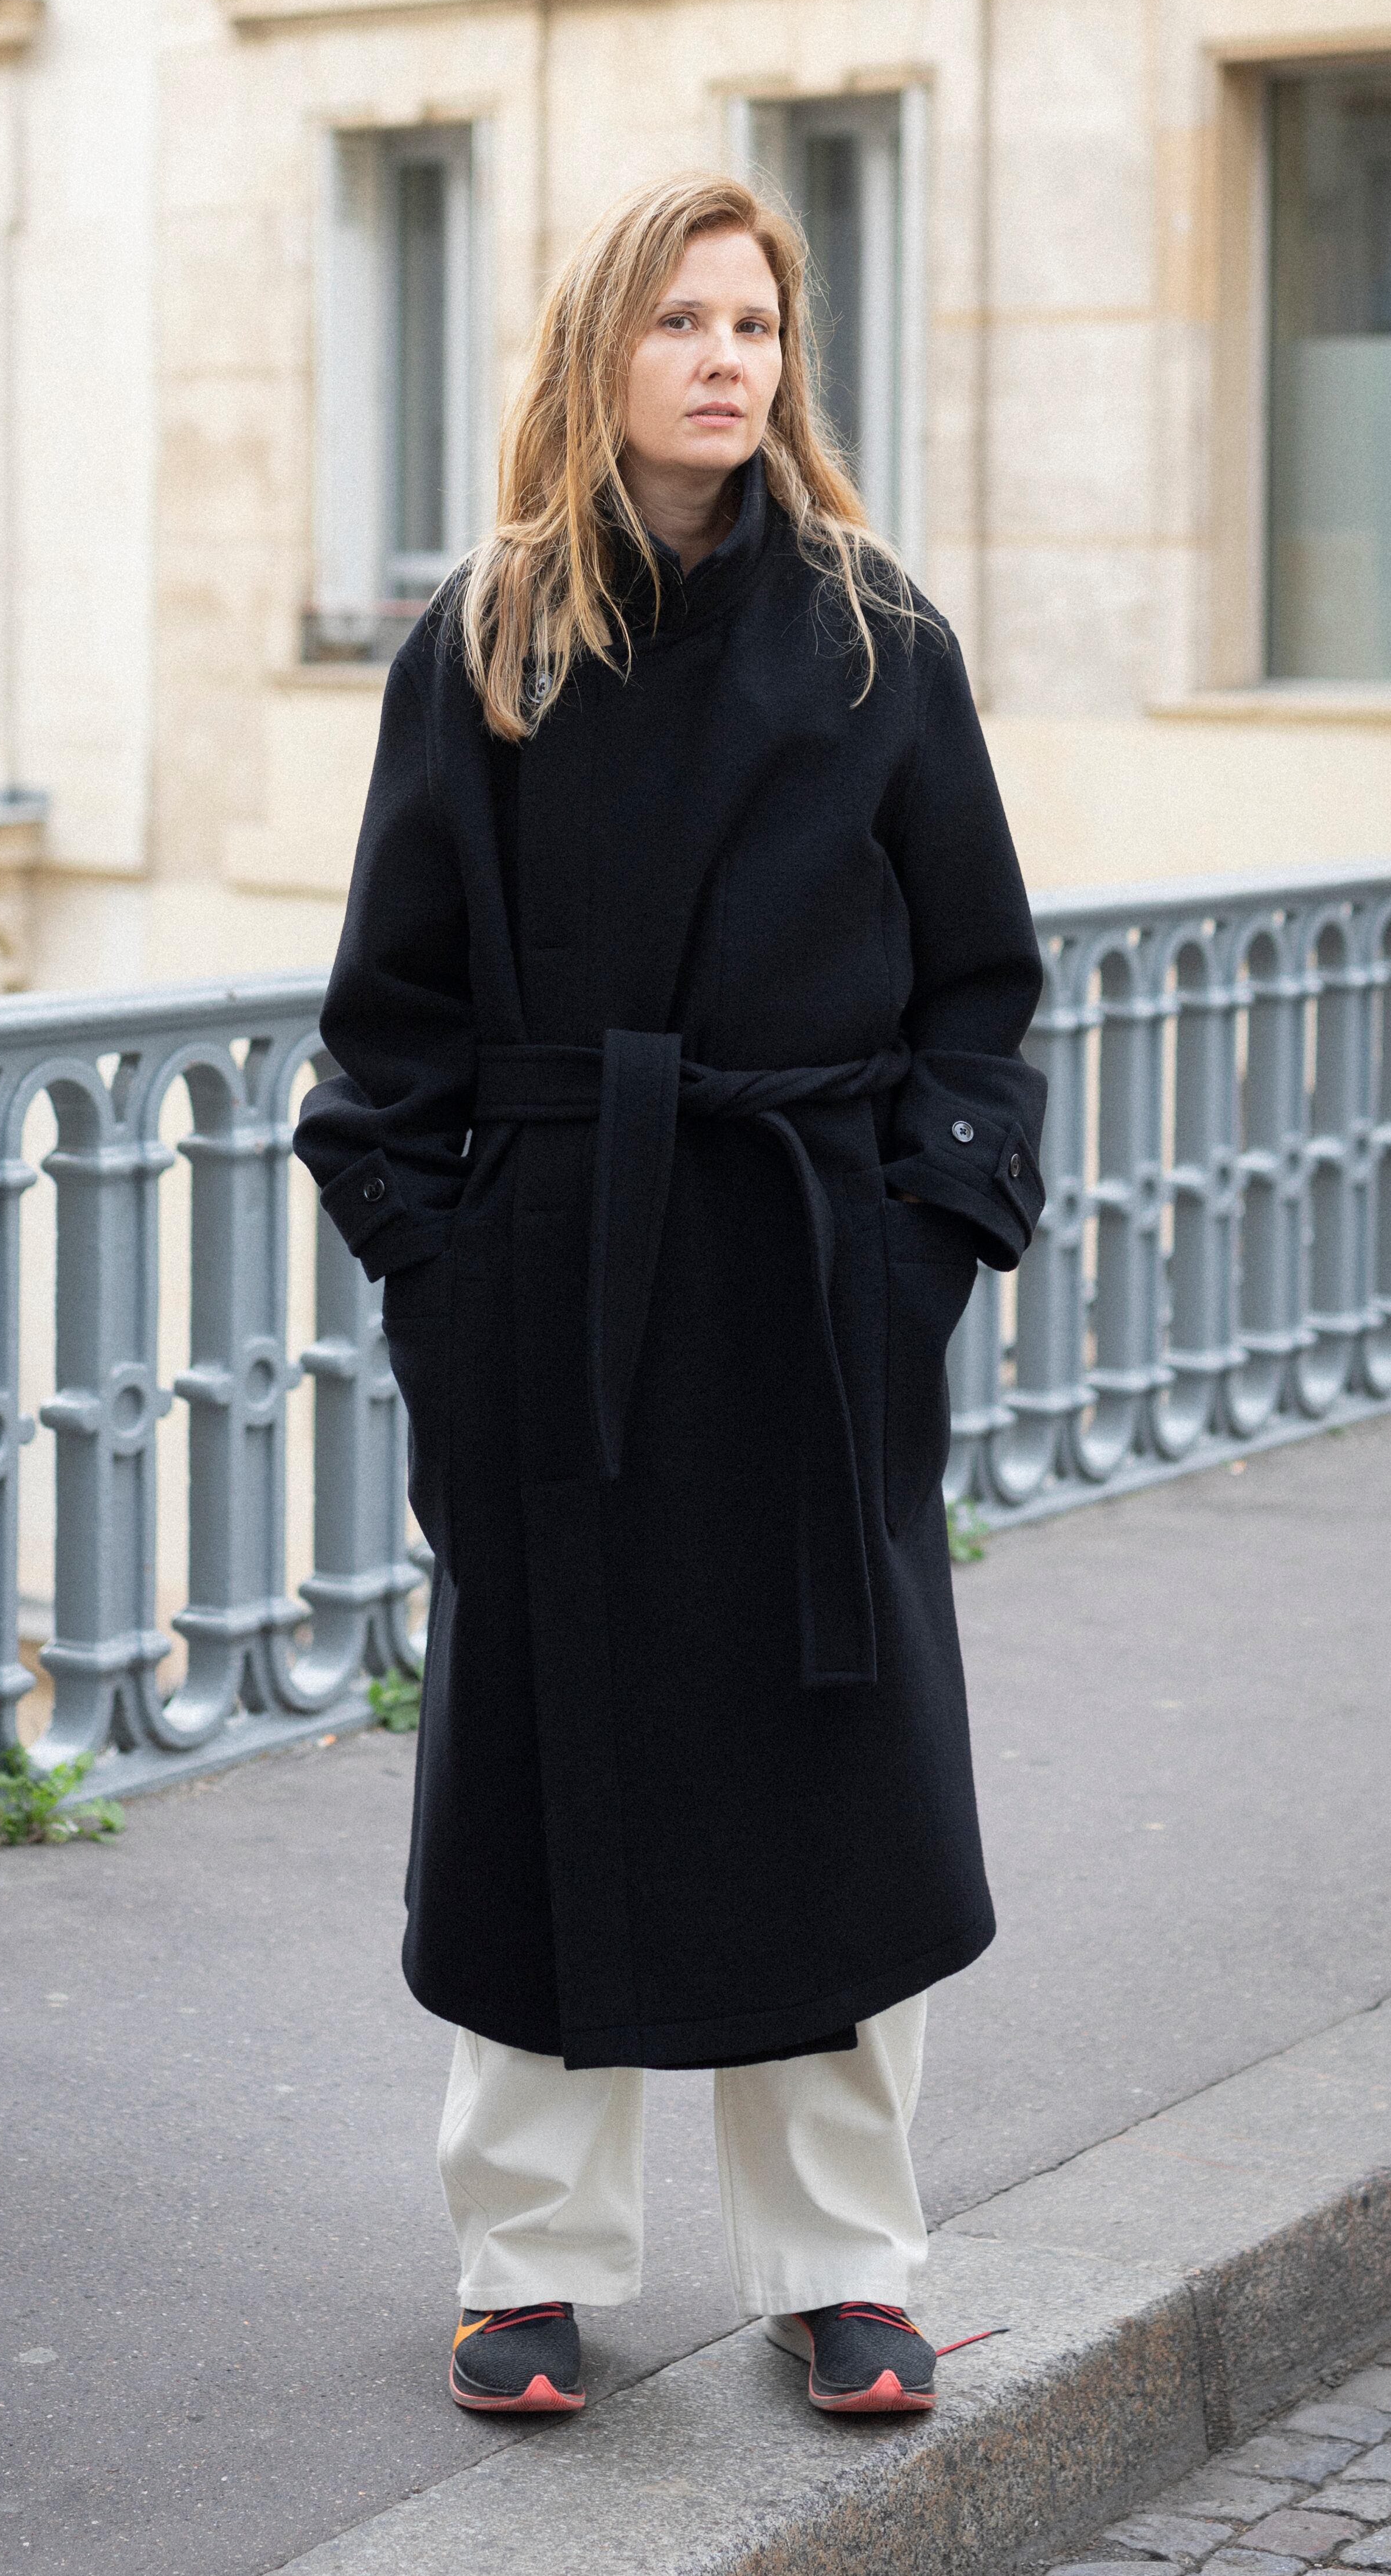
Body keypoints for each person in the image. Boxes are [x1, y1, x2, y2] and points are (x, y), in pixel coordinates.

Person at [296, 170, 1046, 2424]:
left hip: (811, 1290)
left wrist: (918, 1253)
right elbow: (385, 1037)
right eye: (686, 323)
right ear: (601, 351)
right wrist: (453, 1288)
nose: (732, 360)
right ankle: (525, 2263)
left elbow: (983, 989)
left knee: (837, 1771)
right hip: (564, 1300)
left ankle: (847, 2260)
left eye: (761, 325)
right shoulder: (491, 640)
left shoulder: (877, 633)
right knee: (546, 1773)